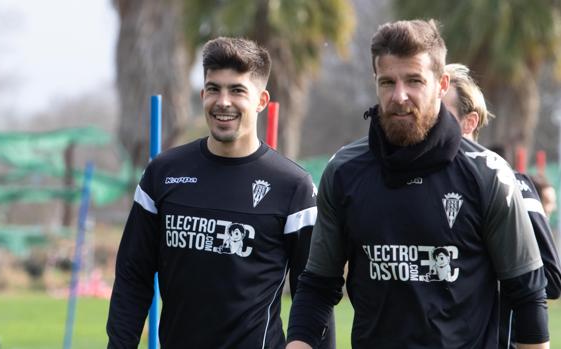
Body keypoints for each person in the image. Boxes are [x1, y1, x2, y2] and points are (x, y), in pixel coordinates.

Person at [286, 19, 550, 349]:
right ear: (375, 82)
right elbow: (318, 286)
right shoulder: (343, 171)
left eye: (414, 81)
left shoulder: (488, 175)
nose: (400, 96)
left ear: (441, 84)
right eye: (388, 82)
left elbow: (526, 295)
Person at [106, 37, 334, 349]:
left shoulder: (292, 186)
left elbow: (313, 292)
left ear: (261, 101)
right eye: (214, 88)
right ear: (202, 95)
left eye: (237, 90)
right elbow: (133, 277)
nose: (223, 101)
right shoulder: (163, 173)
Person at [443, 63, 561, 349]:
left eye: (441, 114)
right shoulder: (419, 186)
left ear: (469, 122)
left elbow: (551, 279)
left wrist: (487, 270)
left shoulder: (510, 182)